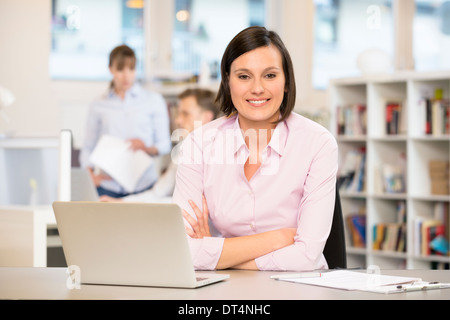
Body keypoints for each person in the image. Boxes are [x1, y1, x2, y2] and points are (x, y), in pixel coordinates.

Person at [173, 26, 338, 272]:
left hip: (298, 289)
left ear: (286, 82)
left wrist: (219, 254)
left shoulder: (317, 143)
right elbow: (180, 249)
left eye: (270, 75)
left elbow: (306, 256)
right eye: (243, 76)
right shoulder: (199, 143)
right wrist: (279, 238)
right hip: (223, 292)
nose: (257, 88)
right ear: (228, 82)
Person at [79, 44, 172, 198]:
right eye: (120, 70)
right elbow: (88, 147)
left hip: (144, 186)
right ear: (111, 69)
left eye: (131, 69)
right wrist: (89, 175)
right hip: (107, 187)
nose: (126, 76)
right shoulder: (98, 105)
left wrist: (145, 148)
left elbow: (164, 145)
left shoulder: (153, 101)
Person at [100, 88, 220, 203]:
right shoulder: (184, 151)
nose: (178, 120)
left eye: (185, 114)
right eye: (179, 114)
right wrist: (120, 202)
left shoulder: (219, 156)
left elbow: (191, 204)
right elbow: (157, 193)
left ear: (206, 117)